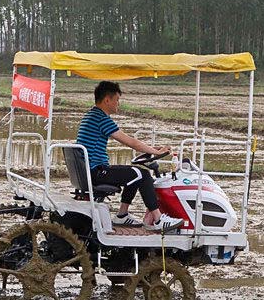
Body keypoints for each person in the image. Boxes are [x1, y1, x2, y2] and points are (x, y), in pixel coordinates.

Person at [76, 80, 184, 233]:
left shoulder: (92, 115)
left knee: (134, 173)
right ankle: (159, 219)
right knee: (143, 174)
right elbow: (131, 142)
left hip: (93, 170)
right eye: (117, 100)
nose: (118, 104)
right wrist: (156, 152)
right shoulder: (101, 119)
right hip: (97, 171)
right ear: (107, 100)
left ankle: (122, 215)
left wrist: (153, 149)